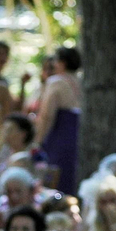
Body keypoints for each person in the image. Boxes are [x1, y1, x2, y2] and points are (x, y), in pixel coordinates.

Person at [33, 45, 83, 193]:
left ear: (63, 62)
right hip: (78, 133)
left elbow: (47, 115)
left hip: (61, 134)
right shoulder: (82, 81)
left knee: (55, 177)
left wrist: (38, 141)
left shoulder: (56, 82)